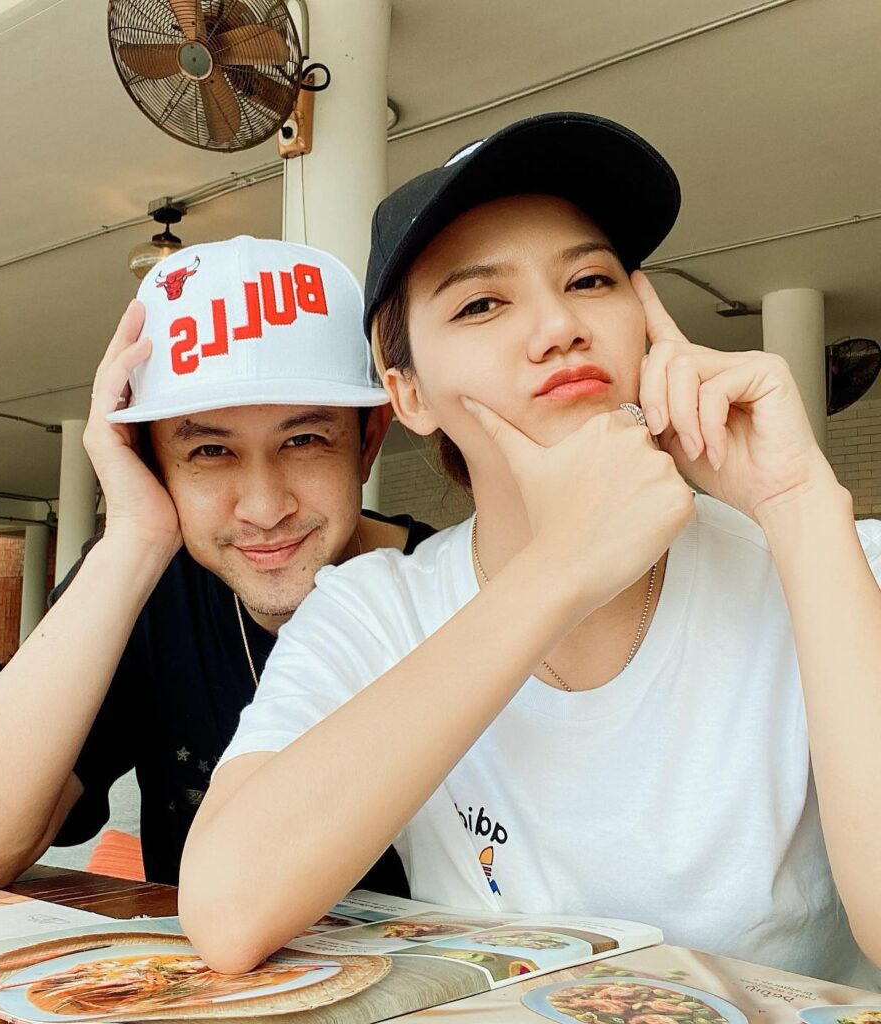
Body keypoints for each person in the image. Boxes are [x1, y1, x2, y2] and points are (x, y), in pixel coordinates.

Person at [179, 115, 881, 988]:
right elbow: (228, 911)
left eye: (590, 280)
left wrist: (799, 507)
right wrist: (562, 568)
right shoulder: (371, 610)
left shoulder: (834, 562)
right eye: (481, 303)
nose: (558, 325)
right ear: (408, 394)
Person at [0, 236, 435, 891]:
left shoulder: (458, 589)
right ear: (152, 460)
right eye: (210, 451)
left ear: (367, 442)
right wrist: (133, 538)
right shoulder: (146, 588)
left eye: (304, 439)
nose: (264, 508)